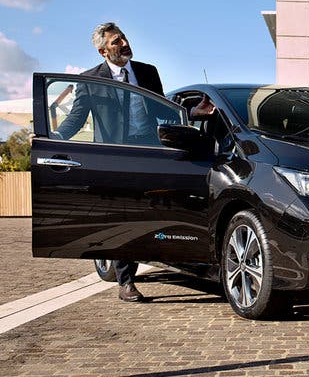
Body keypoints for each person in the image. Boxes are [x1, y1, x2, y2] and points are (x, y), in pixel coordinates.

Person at [55, 22, 214, 302]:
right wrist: (52, 137)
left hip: (149, 150)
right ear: (104, 50)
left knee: (151, 213)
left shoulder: (147, 72)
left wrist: (192, 111)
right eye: (117, 41)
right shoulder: (90, 80)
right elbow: (76, 118)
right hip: (115, 156)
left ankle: (171, 260)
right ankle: (126, 282)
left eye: (124, 38)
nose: (124, 43)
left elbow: (161, 108)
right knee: (124, 215)